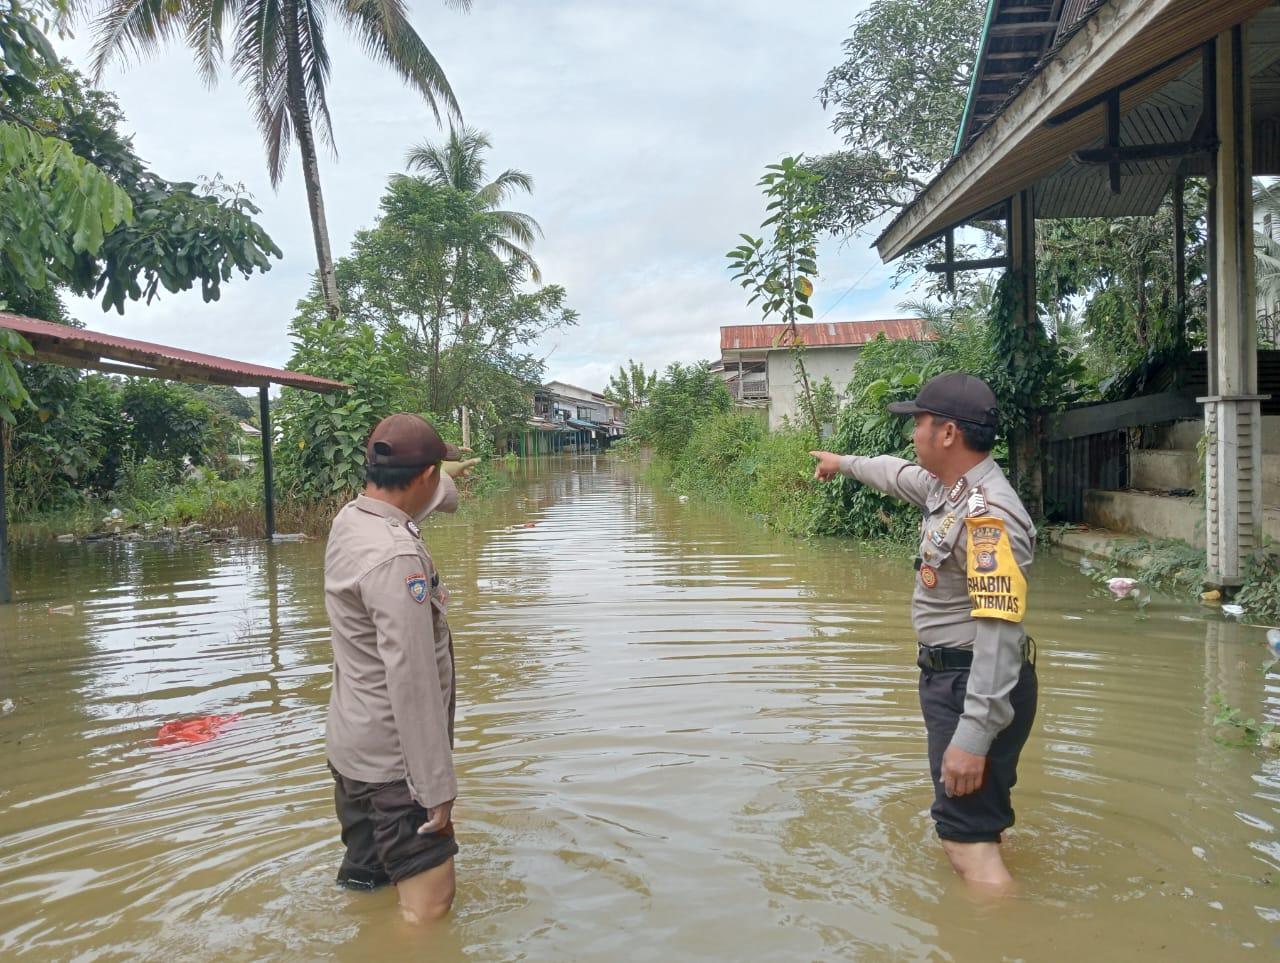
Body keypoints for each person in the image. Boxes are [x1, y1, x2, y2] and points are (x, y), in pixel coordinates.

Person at [811, 372, 1037, 889]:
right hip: (960, 682)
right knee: (978, 827)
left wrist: (974, 735)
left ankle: (1001, 936)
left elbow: (1000, 630)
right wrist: (842, 463)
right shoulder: (950, 488)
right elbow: (894, 473)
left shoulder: (989, 516)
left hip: (973, 687)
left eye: (918, 422)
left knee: (963, 843)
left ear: (949, 433)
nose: (912, 433)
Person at [324, 413, 474, 923]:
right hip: (398, 770)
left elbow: (415, 504)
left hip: (352, 755)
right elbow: (411, 681)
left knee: (370, 889)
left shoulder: (352, 522)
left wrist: (443, 482)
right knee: (430, 912)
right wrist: (436, 790)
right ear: (428, 475)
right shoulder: (398, 559)